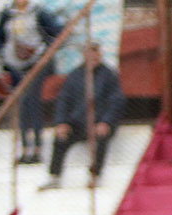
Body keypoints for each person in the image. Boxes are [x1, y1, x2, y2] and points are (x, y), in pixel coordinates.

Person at [0, 0, 61, 164]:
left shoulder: (39, 13)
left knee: (32, 102)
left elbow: (57, 32)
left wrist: (43, 51)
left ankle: (37, 148)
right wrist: (4, 54)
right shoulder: (8, 15)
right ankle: (25, 148)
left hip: (36, 64)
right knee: (22, 105)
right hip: (16, 66)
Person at [39, 43, 123, 190]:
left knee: (101, 139)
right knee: (60, 139)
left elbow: (116, 100)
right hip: (78, 122)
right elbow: (63, 100)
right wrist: (61, 122)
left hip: (100, 122)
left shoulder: (108, 75)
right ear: (84, 55)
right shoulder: (74, 76)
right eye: (90, 53)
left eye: (96, 53)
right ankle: (55, 176)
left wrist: (106, 121)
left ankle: (95, 175)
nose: (93, 57)